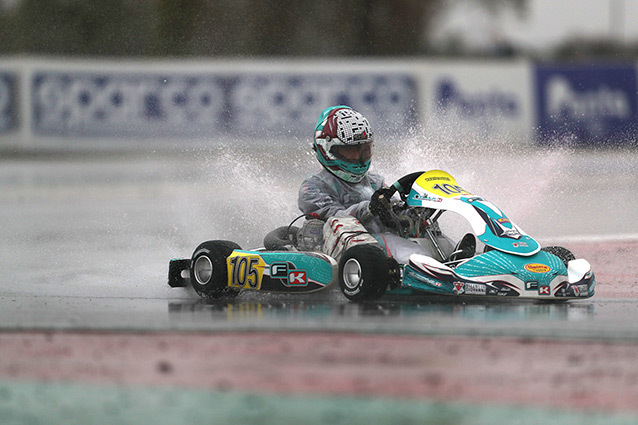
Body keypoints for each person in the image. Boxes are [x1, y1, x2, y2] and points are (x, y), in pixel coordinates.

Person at [298, 105, 458, 264]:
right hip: (349, 249)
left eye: (363, 150)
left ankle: (458, 258)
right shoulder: (313, 186)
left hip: (381, 244)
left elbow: (394, 210)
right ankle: (426, 266)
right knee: (407, 250)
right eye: (351, 151)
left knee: (438, 241)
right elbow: (336, 219)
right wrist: (370, 208)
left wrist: (412, 211)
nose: (359, 157)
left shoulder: (376, 182)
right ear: (327, 149)